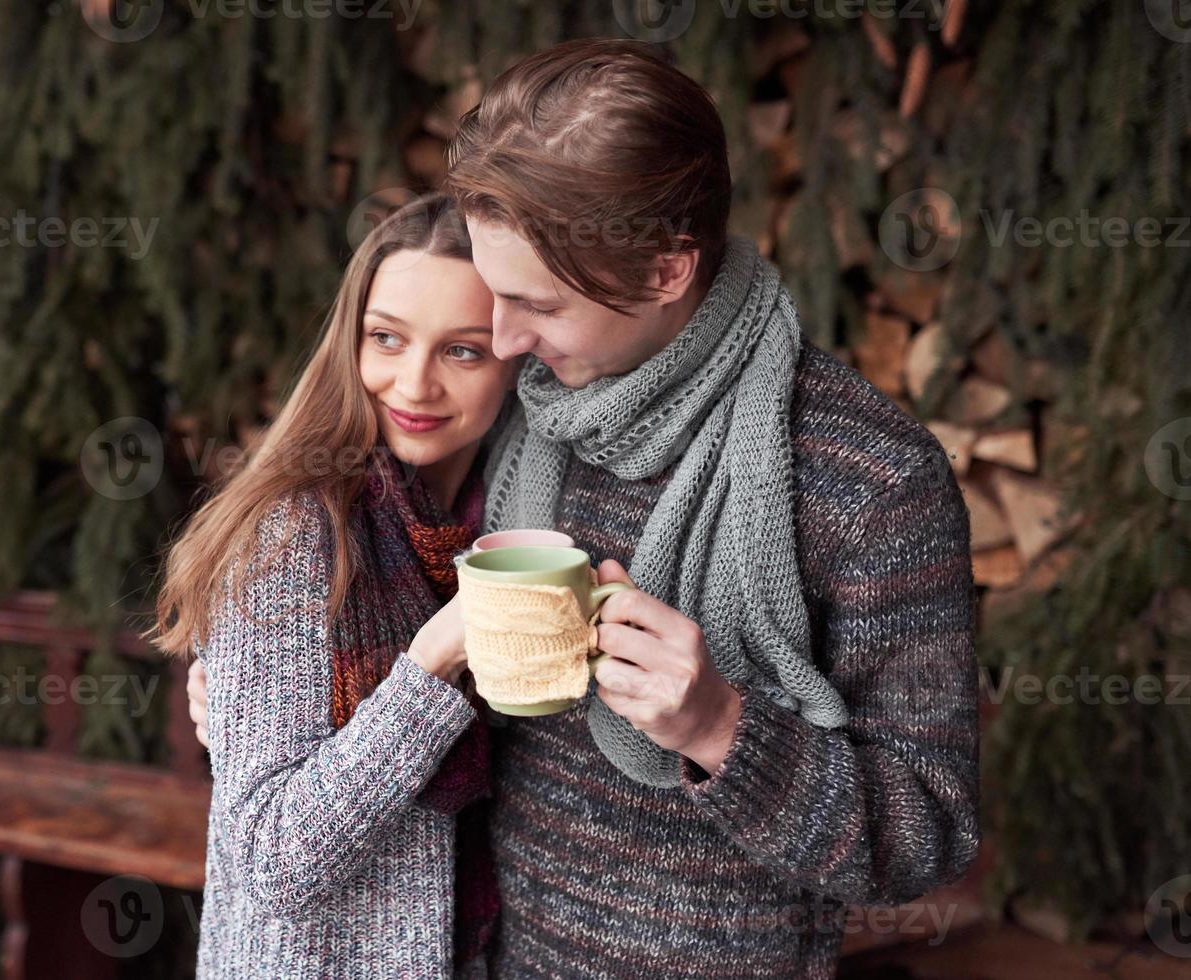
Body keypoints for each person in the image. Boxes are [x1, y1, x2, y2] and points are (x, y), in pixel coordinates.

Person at [187, 38, 980, 978]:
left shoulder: (869, 478)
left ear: (663, 271)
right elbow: (373, 563)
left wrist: (719, 728)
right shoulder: (524, 412)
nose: (506, 338)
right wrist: (251, 693)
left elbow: (924, 839)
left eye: (539, 306)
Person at [150, 194, 517, 978]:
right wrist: (429, 667)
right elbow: (276, 861)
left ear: (518, 358)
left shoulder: (506, 525)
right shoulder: (292, 534)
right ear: (348, 341)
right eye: (386, 339)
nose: (413, 385)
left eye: (462, 351)